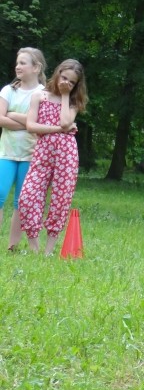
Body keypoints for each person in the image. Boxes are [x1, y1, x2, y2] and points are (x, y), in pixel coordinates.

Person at [18, 59, 87, 255]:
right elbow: (31, 126)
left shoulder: (73, 102)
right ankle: (34, 249)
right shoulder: (39, 96)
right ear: (57, 73)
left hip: (67, 154)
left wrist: (65, 95)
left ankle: (48, 252)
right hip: (43, 152)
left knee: (61, 199)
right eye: (64, 78)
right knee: (28, 196)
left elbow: (66, 121)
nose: (66, 83)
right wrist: (58, 129)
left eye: (71, 82)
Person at [0, 47, 46, 252]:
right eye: (17, 63)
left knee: (22, 201)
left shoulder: (44, 94)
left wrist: (13, 115)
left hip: (31, 155)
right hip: (6, 153)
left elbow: (41, 124)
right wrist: (29, 123)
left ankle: (12, 246)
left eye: (23, 63)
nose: (17, 66)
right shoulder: (8, 91)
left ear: (36, 67)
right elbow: (0, 119)